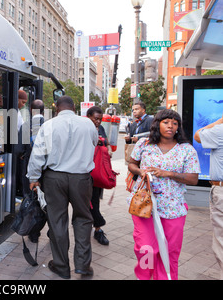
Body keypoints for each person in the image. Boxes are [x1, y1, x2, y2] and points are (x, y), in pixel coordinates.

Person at [27, 96, 98, 279]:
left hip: (54, 178)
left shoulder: (48, 125)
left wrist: (34, 177)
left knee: (57, 221)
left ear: (56, 108)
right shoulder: (88, 124)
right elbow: (94, 144)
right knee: (83, 219)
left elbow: (38, 154)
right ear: (74, 107)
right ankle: (82, 266)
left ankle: (61, 266)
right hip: (81, 178)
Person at [128, 109, 200, 280]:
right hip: (145, 206)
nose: (171, 126)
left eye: (175, 123)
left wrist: (168, 173)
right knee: (147, 248)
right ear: (157, 124)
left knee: (169, 253)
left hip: (173, 208)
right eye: (166, 122)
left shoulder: (187, 150)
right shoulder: (144, 144)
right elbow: (132, 164)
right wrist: (140, 171)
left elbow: (193, 179)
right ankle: (144, 277)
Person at [194, 113, 223, 279]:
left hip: (221, 191)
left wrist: (219, 121)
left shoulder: (220, 130)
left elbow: (198, 135)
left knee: (220, 240)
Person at [86, 106, 111, 246]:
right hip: (83, 172)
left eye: (100, 119)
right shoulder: (82, 128)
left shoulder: (99, 128)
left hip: (97, 172)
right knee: (85, 202)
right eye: (96, 118)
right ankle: (94, 227)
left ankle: (97, 228)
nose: (98, 122)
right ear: (88, 116)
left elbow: (106, 143)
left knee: (94, 200)